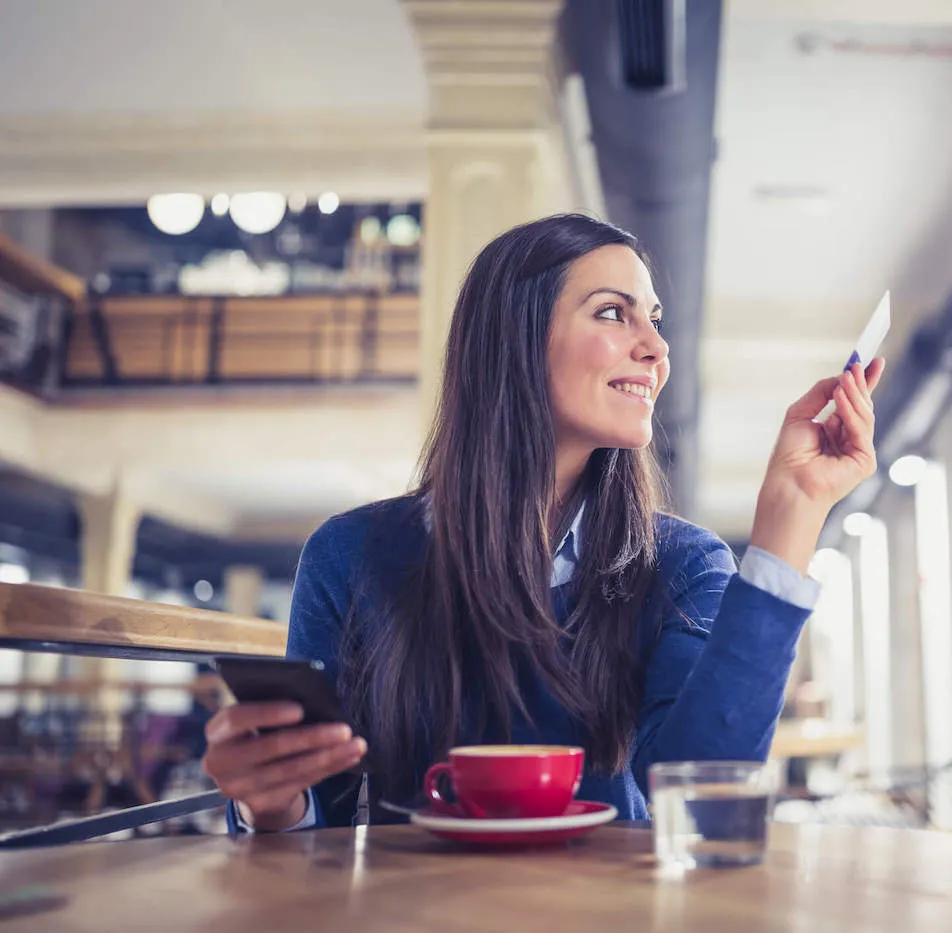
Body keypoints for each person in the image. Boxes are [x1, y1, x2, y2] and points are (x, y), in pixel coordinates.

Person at [201, 214, 884, 830]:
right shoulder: (349, 555)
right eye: (615, 313)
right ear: (515, 340)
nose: (656, 348)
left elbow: (700, 794)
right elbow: (313, 813)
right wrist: (269, 798)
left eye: (654, 317)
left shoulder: (683, 564)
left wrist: (791, 513)